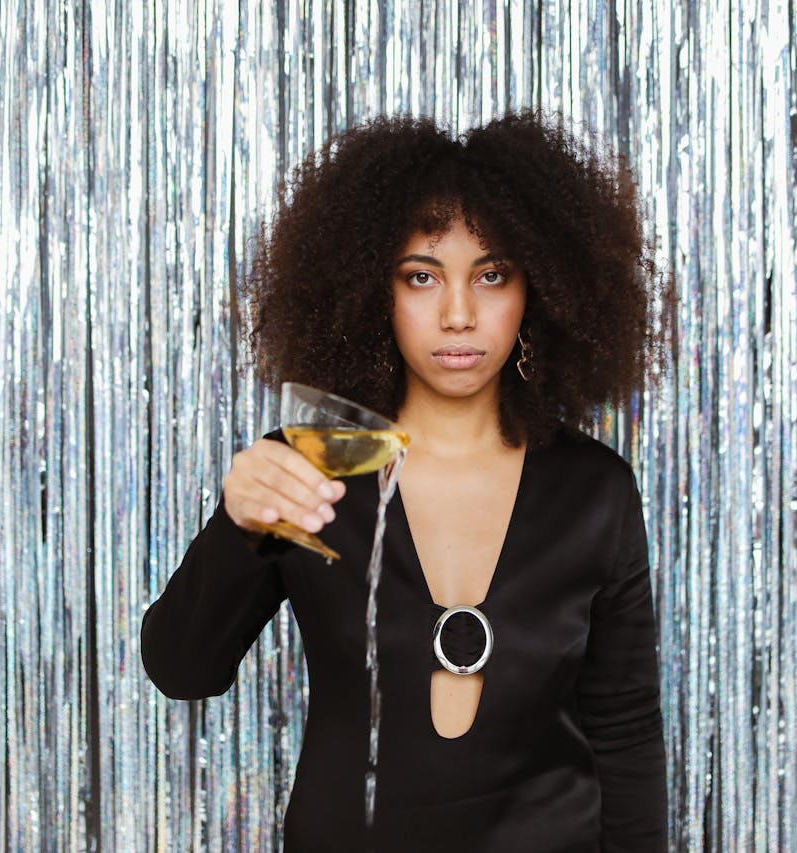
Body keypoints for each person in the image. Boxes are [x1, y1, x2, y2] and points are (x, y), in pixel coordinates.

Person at [141, 111, 674, 852]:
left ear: (541, 289)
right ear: (373, 291)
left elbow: (626, 731)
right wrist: (238, 525)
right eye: (421, 276)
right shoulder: (309, 471)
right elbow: (182, 669)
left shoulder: (595, 491)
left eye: (492, 275)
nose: (458, 314)